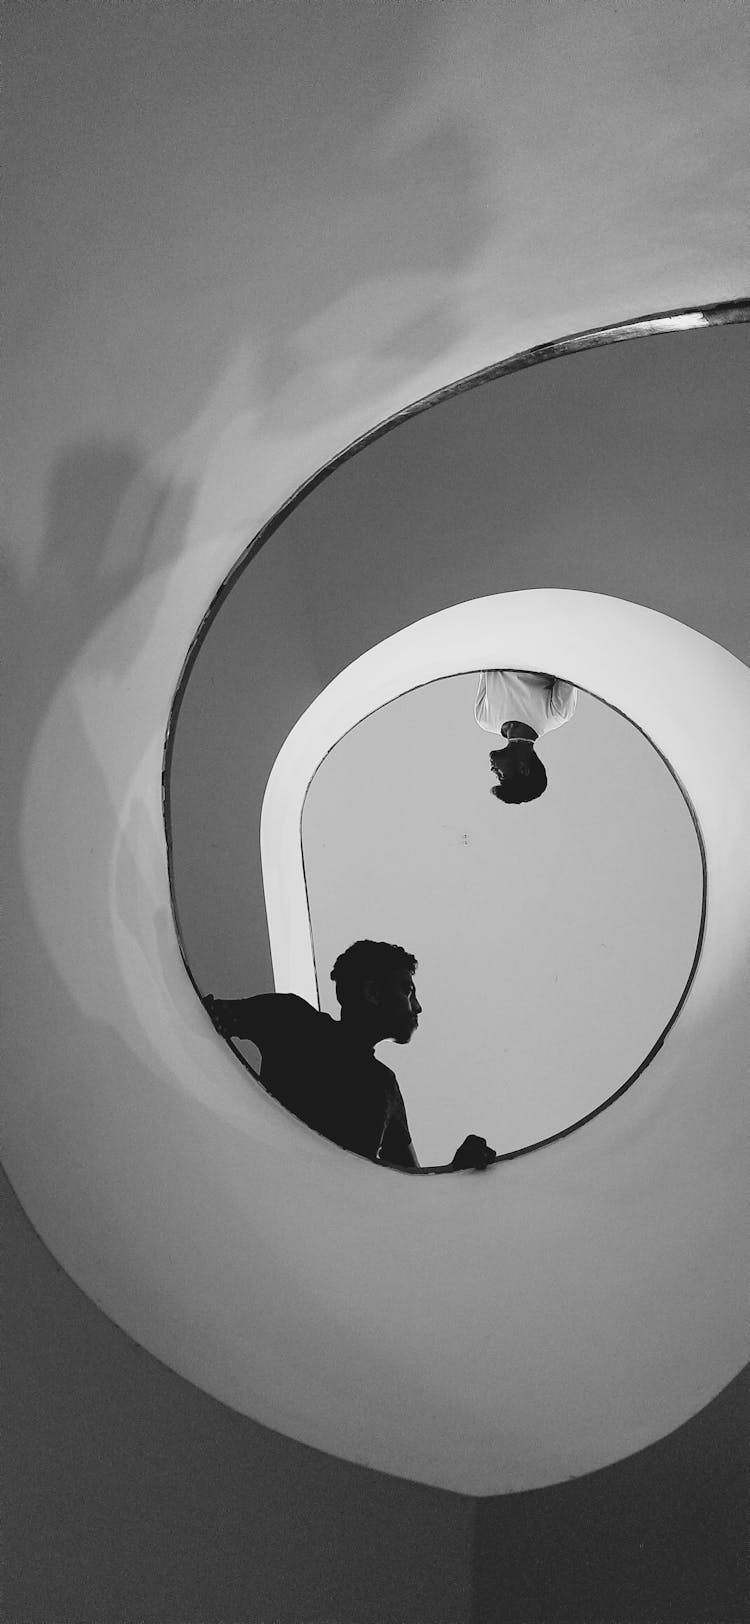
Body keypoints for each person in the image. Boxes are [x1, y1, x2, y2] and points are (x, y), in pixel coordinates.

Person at [203, 939, 496, 1173]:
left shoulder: (385, 1085)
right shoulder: (291, 1018)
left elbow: (411, 1187)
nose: (417, 1007)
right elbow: (204, 1016)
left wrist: (457, 1170)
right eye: (407, 991)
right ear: (373, 993)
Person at [474, 669, 577, 804]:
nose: (493, 770)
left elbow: (483, 664)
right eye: (501, 776)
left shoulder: (484, 719)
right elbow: (568, 661)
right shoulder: (557, 713)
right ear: (523, 768)